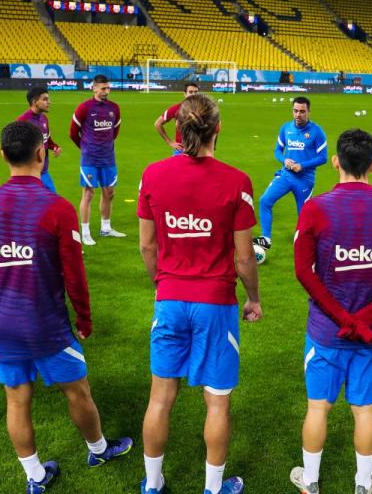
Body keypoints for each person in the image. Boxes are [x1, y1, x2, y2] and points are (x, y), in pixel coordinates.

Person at [0, 121, 133, 493]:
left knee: (17, 400)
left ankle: (35, 476)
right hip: (46, 324)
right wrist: (85, 318)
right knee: (77, 390)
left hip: (2, 322)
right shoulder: (57, 208)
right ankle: (99, 449)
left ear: (2, 156)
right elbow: (74, 275)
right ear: (41, 154)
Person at [136, 94, 261, 494]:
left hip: (169, 300)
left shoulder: (152, 175)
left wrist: (163, 284)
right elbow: (244, 259)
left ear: (179, 129)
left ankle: (153, 485)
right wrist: (254, 298)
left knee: (160, 398)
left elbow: (147, 246)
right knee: (217, 401)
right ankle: (213, 488)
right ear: (217, 128)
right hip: (215, 305)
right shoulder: (237, 181)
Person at [290, 129, 372, 494]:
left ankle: (310, 481)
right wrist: (362, 319)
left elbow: (303, 271)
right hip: (369, 333)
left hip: (326, 331)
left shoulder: (315, 207)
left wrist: (344, 319)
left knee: (318, 408)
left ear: (335, 162)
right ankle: (362, 484)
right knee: (364, 410)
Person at [254, 97, 328, 253]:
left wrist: (303, 166)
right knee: (264, 201)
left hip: (305, 180)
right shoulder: (286, 128)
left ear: (309, 112)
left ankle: (305, 244)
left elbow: (323, 158)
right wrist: (284, 160)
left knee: (304, 215)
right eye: (295, 111)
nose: (298, 114)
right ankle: (265, 239)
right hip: (286, 176)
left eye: (302, 111)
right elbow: (277, 151)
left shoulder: (316, 131)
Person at [70, 75, 124, 245]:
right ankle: (85, 231)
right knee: (88, 193)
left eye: (108, 88)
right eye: (102, 88)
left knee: (109, 192)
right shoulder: (84, 108)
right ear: (93, 88)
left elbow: (115, 131)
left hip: (108, 158)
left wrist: (106, 146)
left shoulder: (114, 108)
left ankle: (106, 228)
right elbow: (73, 133)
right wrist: (86, 148)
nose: (106, 92)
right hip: (90, 158)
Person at [17, 87, 62, 192]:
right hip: (29, 175)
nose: (49, 102)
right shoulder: (23, 121)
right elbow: (13, 148)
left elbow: (47, 140)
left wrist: (55, 147)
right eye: (45, 99)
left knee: (53, 204)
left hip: (44, 172)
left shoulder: (44, 118)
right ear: (34, 102)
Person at [153, 82, 200, 155]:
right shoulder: (176, 108)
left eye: (196, 92)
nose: (193, 94)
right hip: (181, 150)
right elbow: (157, 123)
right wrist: (169, 142)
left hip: (198, 151)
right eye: (190, 92)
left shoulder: (204, 109)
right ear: (185, 94)